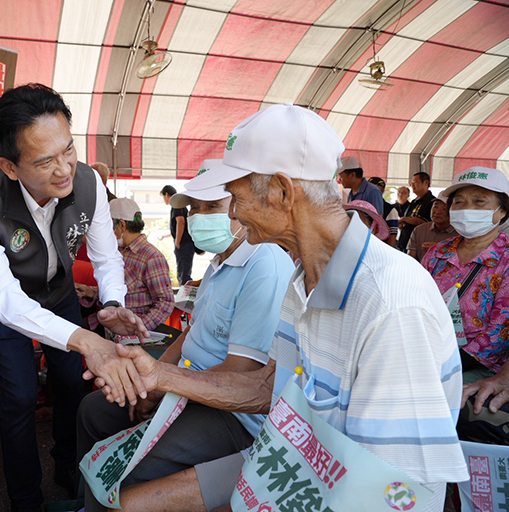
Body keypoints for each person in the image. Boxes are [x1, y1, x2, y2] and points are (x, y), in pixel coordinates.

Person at [94, 103, 467, 511]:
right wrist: (161, 375)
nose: (233, 212)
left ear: (282, 192)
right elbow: (268, 387)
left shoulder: (389, 304)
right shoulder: (303, 280)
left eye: (236, 198)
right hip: (293, 460)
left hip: (346, 490)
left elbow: (390, 492)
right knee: (122, 502)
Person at [0, 83, 148, 511]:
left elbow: (106, 257)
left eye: (69, 150)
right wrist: (85, 340)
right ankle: (25, 498)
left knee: (71, 383)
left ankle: (69, 468)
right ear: (9, 166)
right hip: (2, 307)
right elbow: (5, 300)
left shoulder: (89, 183)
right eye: (45, 161)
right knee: (20, 395)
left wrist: (112, 304)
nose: (64, 170)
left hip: (59, 295)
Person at [77, 160, 294, 512]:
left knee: (125, 469)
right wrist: (151, 382)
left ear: (240, 207)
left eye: (212, 206)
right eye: (194, 208)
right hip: (185, 389)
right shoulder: (219, 263)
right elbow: (188, 334)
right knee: (93, 411)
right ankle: (85, 502)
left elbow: (241, 371)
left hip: (228, 412)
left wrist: (159, 390)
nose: (198, 216)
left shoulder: (264, 263)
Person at [422, 167, 509, 444]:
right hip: (426, 352)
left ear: (502, 212)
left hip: (476, 364)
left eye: (479, 201)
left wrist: (433, 365)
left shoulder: (506, 257)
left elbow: (498, 334)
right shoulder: (438, 252)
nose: (467, 208)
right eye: (459, 202)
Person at [77, 198, 174, 332]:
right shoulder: (118, 250)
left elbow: (165, 302)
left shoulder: (151, 257)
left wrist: (136, 328)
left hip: (127, 329)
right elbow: (124, 289)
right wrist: (90, 292)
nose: (106, 233)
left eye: (108, 227)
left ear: (122, 225)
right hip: (108, 319)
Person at [161, 184, 196, 284]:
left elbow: (181, 222)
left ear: (167, 195)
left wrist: (177, 242)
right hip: (185, 243)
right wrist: (166, 236)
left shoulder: (176, 204)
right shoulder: (179, 205)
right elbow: (177, 228)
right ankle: (184, 292)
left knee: (184, 274)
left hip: (184, 244)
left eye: (163, 197)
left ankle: (185, 293)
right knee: (183, 272)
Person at [407, 194, 456, 262]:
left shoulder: (459, 234)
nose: (437, 212)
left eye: (444, 208)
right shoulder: (419, 230)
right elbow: (410, 259)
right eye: (435, 206)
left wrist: (439, 250)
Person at [397, 171, 436, 252]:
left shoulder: (432, 202)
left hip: (418, 247)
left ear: (426, 183)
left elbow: (425, 223)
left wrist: (404, 219)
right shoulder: (414, 201)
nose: (412, 185)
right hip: (404, 243)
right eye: (411, 183)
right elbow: (409, 219)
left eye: (415, 182)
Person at [367, 176, 400, 247]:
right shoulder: (363, 206)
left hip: (380, 248)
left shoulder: (390, 210)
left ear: (382, 191)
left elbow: (392, 238)